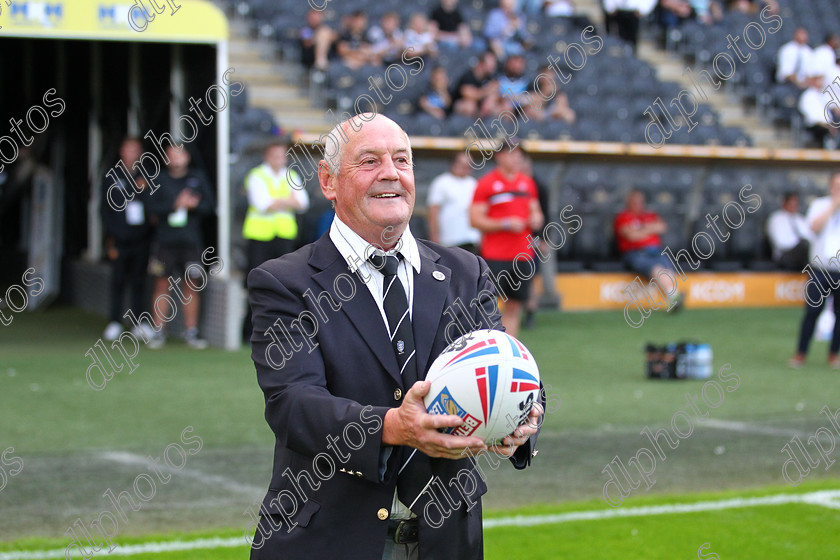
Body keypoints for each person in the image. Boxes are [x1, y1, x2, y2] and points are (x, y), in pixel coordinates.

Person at [247, 113, 542, 558]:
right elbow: (293, 405)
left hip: (447, 544)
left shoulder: (465, 272)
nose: (391, 172)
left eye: (402, 160)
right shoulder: (284, 282)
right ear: (328, 181)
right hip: (330, 541)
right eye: (369, 161)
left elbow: (505, 365)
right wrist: (393, 427)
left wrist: (526, 412)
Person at [470, 142, 544, 338]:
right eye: (512, 154)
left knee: (514, 305)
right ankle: (488, 346)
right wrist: (505, 224)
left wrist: (537, 218)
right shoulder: (486, 183)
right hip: (495, 256)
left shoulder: (527, 182)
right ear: (499, 156)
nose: (516, 158)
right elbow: (475, 219)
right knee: (488, 307)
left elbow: (535, 211)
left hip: (522, 255)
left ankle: (509, 347)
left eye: (519, 155)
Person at [146, 145, 215, 349]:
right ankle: (159, 330)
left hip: (190, 242)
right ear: (166, 158)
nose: (176, 158)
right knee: (161, 284)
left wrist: (193, 205)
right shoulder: (159, 180)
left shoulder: (198, 178)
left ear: (187, 157)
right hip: (165, 242)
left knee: (191, 285)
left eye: (180, 153)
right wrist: (175, 204)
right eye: (171, 154)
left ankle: (191, 331)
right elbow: (150, 209)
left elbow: (210, 207)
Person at [241, 140, 310, 341]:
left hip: (284, 237)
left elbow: (303, 203)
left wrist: (277, 202)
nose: (279, 160)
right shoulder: (256, 175)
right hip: (260, 237)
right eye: (275, 155)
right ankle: (250, 332)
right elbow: (261, 204)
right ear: (267, 156)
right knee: (256, 283)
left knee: (284, 285)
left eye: (282, 156)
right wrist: (289, 201)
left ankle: (281, 331)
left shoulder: (291, 175)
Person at [101, 137, 152, 342]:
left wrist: (146, 230)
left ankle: (138, 321)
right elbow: (105, 209)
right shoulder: (112, 177)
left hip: (141, 238)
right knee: (118, 280)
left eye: (135, 149)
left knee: (139, 281)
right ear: (121, 151)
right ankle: (115, 321)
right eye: (127, 149)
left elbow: (152, 207)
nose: (131, 153)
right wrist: (114, 233)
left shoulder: (146, 176)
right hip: (119, 239)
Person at [790, 172, 840, 369]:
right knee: (812, 311)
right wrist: (834, 206)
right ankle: (801, 354)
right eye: (836, 184)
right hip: (820, 269)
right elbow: (815, 227)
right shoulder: (820, 205)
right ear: (830, 186)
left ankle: (833, 355)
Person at [613, 189, 684, 311]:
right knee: (657, 269)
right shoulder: (623, 217)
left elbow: (662, 227)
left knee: (668, 270)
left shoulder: (649, 215)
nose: (638, 205)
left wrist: (640, 230)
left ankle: (672, 297)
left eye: (640, 202)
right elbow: (631, 236)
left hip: (655, 251)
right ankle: (673, 296)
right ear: (628, 202)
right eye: (635, 202)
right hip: (635, 253)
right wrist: (649, 229)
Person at [427, 152, 480, 253]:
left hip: (472, 240)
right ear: (454, 164)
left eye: (468, 165)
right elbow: (433, 213)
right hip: (449, 241)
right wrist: (435, 238)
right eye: (462, 164)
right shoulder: (441, 182)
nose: (464, 167)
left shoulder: (474, 184)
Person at [766, 192, 811, 271]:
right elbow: (781, 243)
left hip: (802, 254)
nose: (793, 206)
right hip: (784, 255)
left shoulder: (801, 219)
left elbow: (810, 237)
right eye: (791, 204)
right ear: (785, 204)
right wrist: (798, 245)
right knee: (804, 245)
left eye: (795, 204)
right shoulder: (776, 218)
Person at [451, 51, 502, 118]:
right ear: (481, 64)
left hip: (480, 107)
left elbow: (496, 91)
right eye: (490, 64)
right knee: (470, 106)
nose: (493, 66)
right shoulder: (468, 75)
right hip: (459, 105)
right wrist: (487, 91)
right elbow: (468, 94)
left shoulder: (490, 77)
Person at [799, 73, 840, 149]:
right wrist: (828, 126)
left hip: (827, 125)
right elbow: (812, 118)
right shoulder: (808, 95)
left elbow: (834, 108)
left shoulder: (823, 95)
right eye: (818, 80)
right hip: (816, 126)